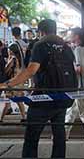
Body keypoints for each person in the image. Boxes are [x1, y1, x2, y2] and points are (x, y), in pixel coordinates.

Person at [0, 19, 76, 158]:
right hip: (63, 96)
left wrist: (9, 84)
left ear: (41, 31)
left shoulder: (41, 45)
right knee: (59, 134)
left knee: (31, 136)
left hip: (43, 98)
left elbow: (31, 70)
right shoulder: (65, 46)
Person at [0, 43, 26, 122]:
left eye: (8, 49)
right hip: (18, 82)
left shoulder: (13, 59)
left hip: (12, 83)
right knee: (19, 101)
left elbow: (6, 70)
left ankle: (1, 119)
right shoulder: (20, 59)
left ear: (11, 50)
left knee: (7, 101)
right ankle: (24, 117)